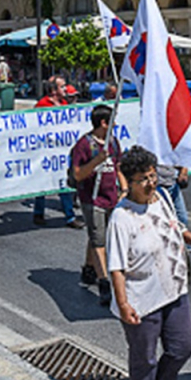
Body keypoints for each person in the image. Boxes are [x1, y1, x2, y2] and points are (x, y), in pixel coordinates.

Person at [107, 145, 191, 380]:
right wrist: (124, 304)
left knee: (183, 346)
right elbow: (116, 266)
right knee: (145, 357)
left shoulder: (162, 198)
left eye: (152, 176)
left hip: (175, 289)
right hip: (141, 299)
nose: (151, 183)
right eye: (143, 179)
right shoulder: (121, 218)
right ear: (129, 182)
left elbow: (174, 229)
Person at [71, 105, 124, 306]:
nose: (115, 125)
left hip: (111, 197)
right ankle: (104, 282)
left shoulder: (113, 142)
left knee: (97, 236)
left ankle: (88, 268)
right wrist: (96, 161)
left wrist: (124, 190)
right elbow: (78, 174)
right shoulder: (84, 145)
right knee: (100, 241)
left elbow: (118, 167)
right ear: (103, 123)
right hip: (92, 200)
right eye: (112, 121)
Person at [33, 79, 80, 228]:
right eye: (62, 86)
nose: (66, 89)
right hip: (46, 152)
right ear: (53, 91)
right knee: (42, 184)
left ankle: (70, 216)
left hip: (61, 152)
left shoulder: (65, 104)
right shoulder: (42, 104)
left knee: (63, 183)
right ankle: (38, 213)